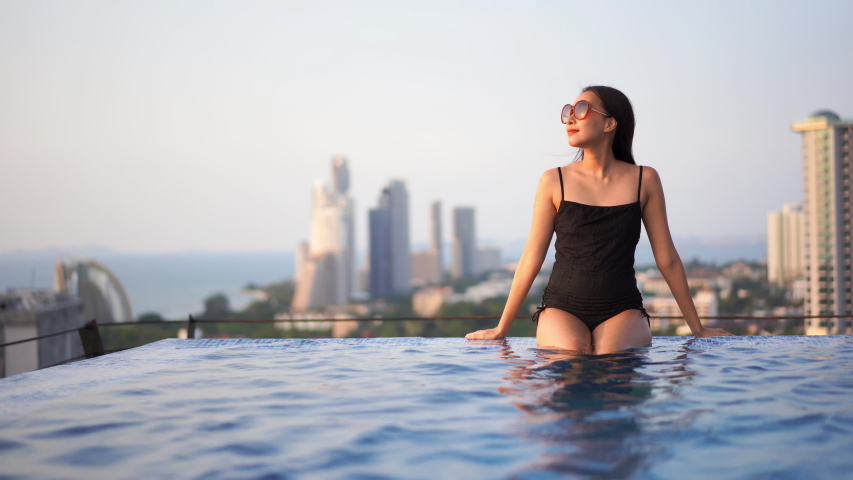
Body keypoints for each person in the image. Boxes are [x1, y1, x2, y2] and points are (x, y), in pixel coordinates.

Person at [465, 85, 733, 354]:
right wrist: (501, 328)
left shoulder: (645, 180)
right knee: (571, 357)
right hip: (562, 307)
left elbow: (668, 259)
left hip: (622, 308)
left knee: (613, 362)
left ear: (610, 123)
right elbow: (531, 259)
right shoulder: (553, 180)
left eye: (581, 110)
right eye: (568, 111)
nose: (570, 118)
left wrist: (697, 328)